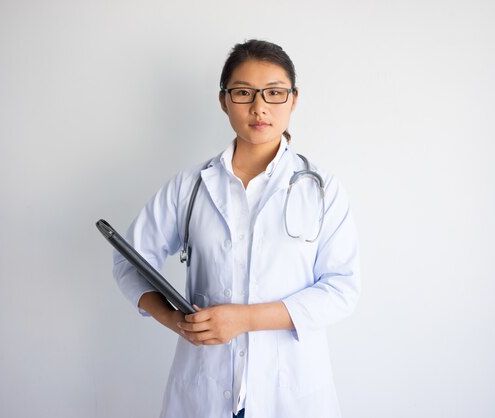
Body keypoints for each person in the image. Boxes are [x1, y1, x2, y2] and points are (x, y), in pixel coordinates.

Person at [112, 39, 361, 418]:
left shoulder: (322, 190)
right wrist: (174, 320)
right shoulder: (190, 186)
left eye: (274, 93)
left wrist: (244, 319)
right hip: (204, 389)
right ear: (223, 100)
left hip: (290, 392)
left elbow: (341, 289)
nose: (259, 107)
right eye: (244, 92)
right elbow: (130, 262)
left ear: (293, 100)